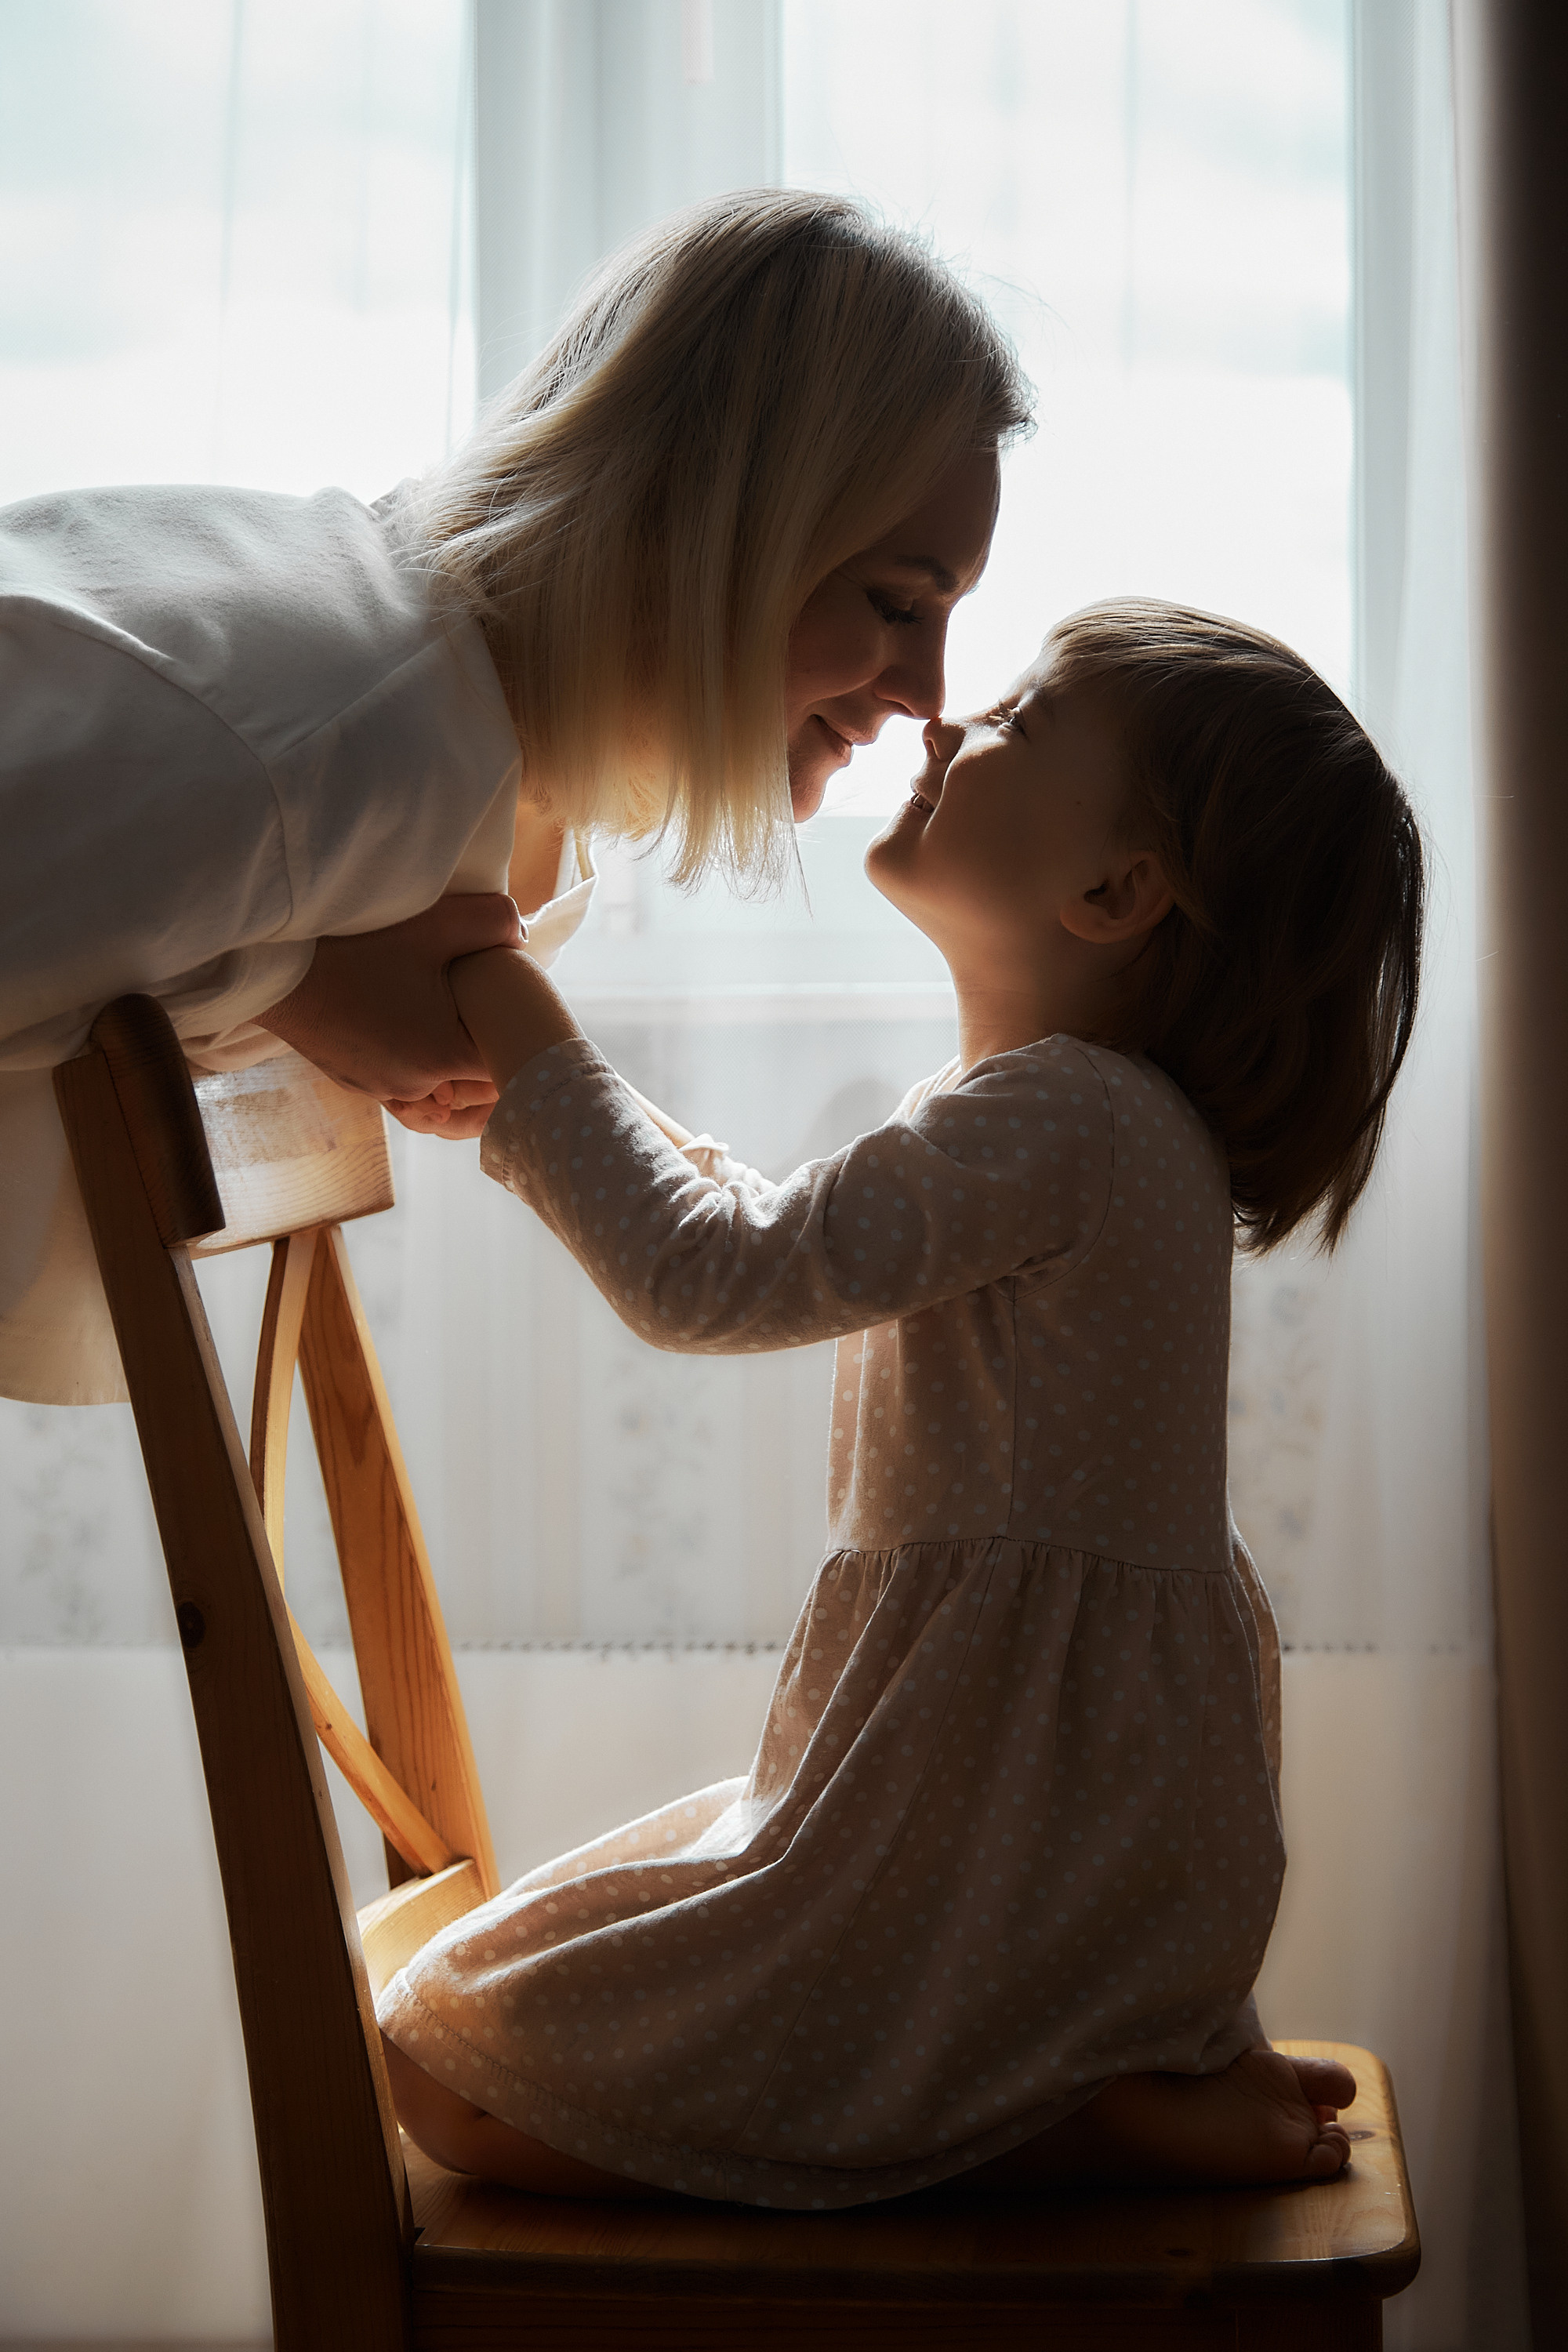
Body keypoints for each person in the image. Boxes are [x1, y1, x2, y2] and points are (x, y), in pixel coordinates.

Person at [374, 598, 1424, 2207]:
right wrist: (550, 1103)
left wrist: (505, 997)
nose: (944, 720)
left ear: (1115, 892)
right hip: (1035, 1827)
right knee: (471, 2034)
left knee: (445, 2071)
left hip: (976, 1816)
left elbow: (708, 1273)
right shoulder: (1088, 1123)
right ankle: (1090, 2070)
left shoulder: (1066, 1118)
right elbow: (770, 1229)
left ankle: (1050, 2108)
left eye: (1014, 719)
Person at [0, 190, 1025, 1401]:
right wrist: (286, 982)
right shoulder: (320, 749)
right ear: (710, 526)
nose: (927, 692)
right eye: (896, 604)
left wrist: (280, 988)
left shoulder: (484, 772)